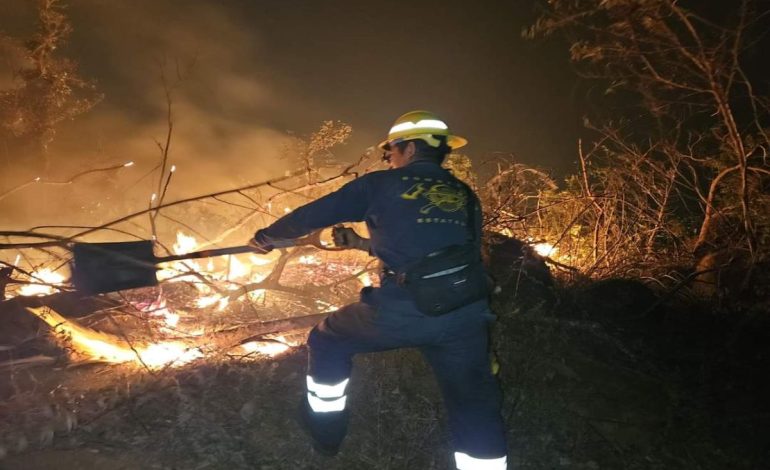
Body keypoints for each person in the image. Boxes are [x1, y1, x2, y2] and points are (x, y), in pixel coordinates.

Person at [250, 110, 508, 469]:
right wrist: (359, 242)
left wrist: (267, 237)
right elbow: (442, 252)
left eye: (391, 152)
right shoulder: (464, 194)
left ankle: (326, 431)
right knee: (474, 402)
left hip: (403, 311)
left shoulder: (380, 185)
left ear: (411, 148)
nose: (389, 159)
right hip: (464, 314)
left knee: (328, 338)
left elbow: (314, 214)